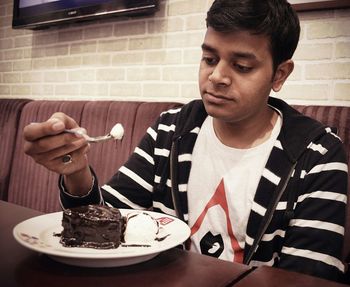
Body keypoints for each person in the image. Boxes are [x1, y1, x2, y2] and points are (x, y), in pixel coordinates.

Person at [23, 0, 348, 282]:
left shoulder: (317, 155)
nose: (217, 76)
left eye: (242, 66)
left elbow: (307, 280)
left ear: (279, 74)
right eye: (209, 59)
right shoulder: (170, 132)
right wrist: (77, 172)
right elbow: (104, 226)